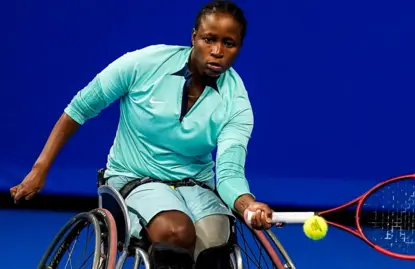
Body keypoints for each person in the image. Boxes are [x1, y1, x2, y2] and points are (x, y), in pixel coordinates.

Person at [10, 0, 273, 268]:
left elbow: (229, 171)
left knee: (216, 238)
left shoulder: (237, 102)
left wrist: (247, 204)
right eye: (209, 39)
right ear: (194, 36)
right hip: (135, 177)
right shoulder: (143, 64)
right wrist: (40, 168)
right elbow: (78, 109)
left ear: (239, 47)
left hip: (195, 185)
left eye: (229, 43)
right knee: (176, 231)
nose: (217, 51)